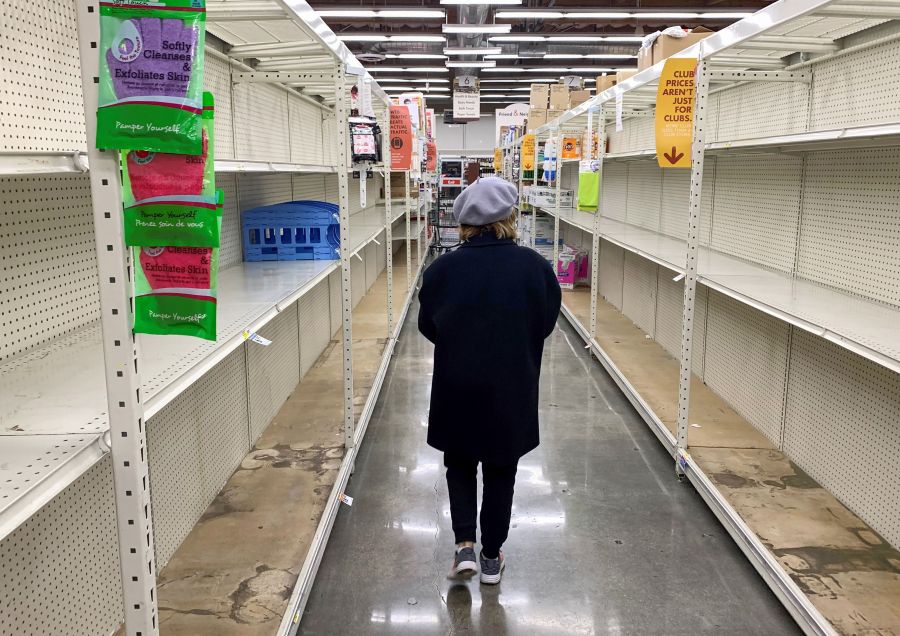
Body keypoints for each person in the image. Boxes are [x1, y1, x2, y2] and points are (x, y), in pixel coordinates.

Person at [417, 176, 562, 585]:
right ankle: (492, 557)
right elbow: (545, 322)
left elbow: (429, 325)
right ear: (510, 218)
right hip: (510, 386)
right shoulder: (535, 268)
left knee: (459, 464)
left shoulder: (442, 269)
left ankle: (464, 545)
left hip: (457, 384)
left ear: (464, 223)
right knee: (502, 470)